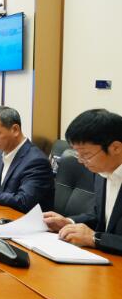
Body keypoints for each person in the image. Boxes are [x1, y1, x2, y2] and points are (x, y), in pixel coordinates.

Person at [42, 109, 122, 255]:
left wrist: (95, 238)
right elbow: (100, 216)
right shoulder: (101, 172)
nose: (80, 161)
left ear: (116, 147)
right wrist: (69, 222)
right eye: (77, 153)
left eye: (86, 154)